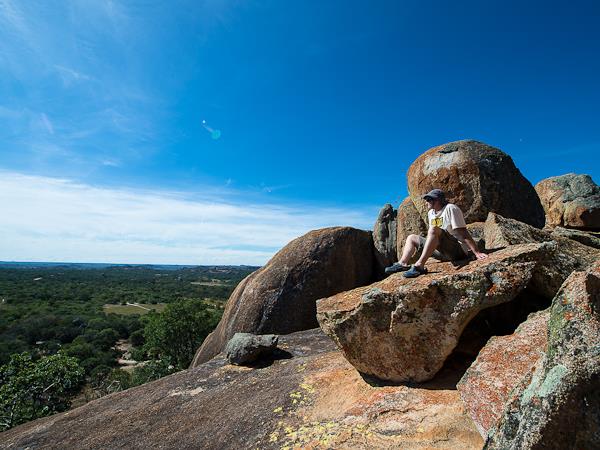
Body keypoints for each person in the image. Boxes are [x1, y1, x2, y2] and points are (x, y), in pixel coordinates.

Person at [385, 189, 488, 278]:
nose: (426, 202)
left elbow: (463, 232)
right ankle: (402, 263)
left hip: (458, 251)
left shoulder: (450, 208)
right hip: (442, 252)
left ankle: (419, 266)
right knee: (412, 237)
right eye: (426, 199)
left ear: (438, 200)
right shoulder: (431, 213)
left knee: (433, 229)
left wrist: (476, 252)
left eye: (429, 199)